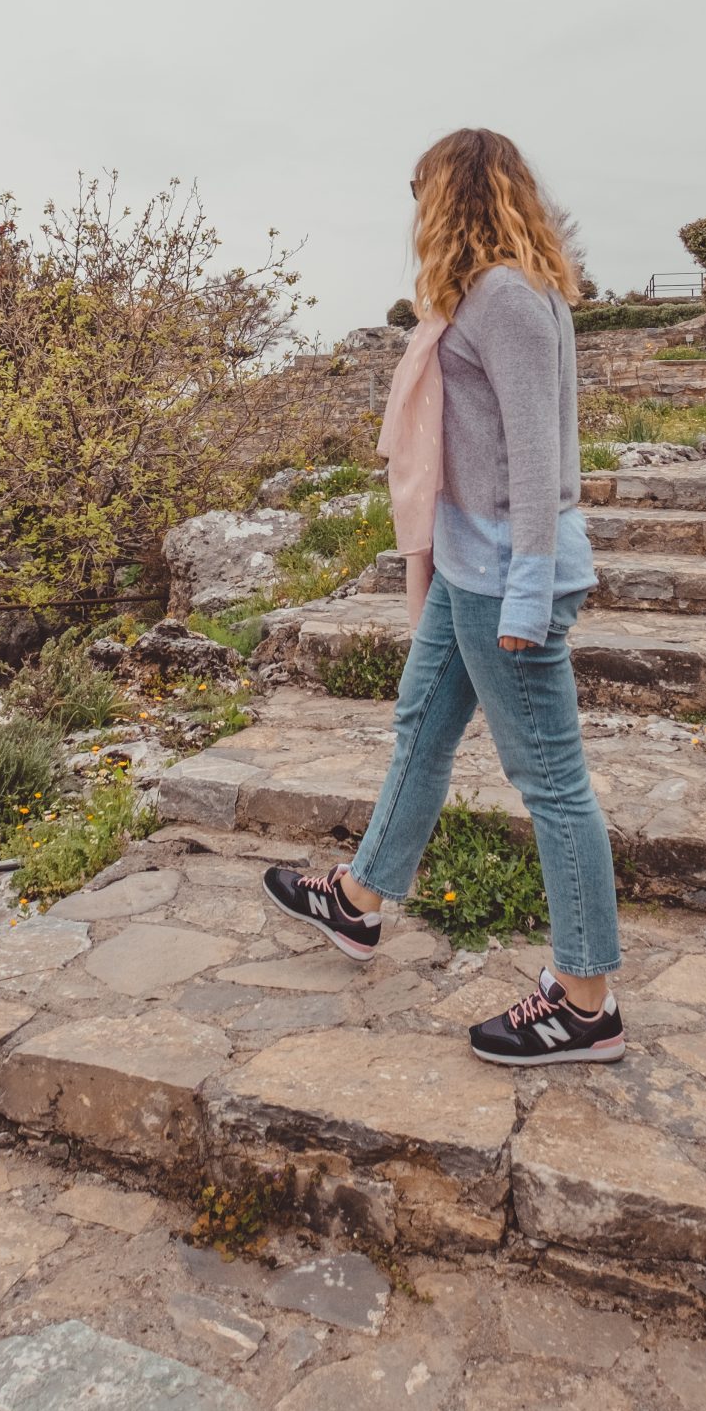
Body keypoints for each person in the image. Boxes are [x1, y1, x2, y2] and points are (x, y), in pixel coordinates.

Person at [263, 128, 623, 1065]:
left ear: (451, 196)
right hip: (472, 570)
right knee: (421, 723)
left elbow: (538, 459)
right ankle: (358, 900)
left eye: (419, 191)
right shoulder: (490, 294)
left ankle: (585, 1003)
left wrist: (526, 596)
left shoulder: (504, 296)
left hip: (508, 573)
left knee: (551, 785)